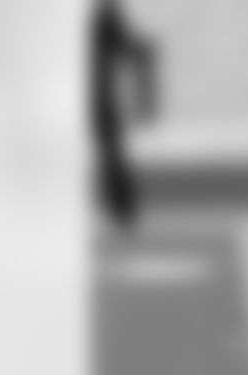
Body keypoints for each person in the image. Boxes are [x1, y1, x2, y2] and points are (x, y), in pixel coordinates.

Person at [90, 0, 157, 233]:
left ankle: (122, 210)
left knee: (110, 153)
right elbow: (134, 50)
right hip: (97, 99)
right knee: (110, 153)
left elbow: (132, 50)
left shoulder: (103, 17)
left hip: (98, 99)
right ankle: (121, 210)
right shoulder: (103, 17)